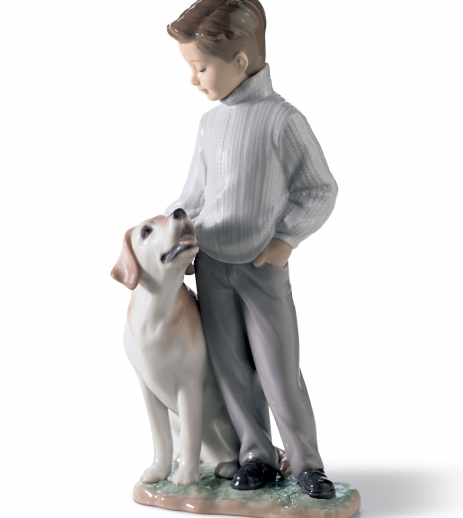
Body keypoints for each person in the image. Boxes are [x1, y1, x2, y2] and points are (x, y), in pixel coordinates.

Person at [165, 0, 338, 499]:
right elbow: (194, 194)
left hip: (262, 265)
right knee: (230, 367)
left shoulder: (282, 120)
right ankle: (255, 454)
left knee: (278, 368)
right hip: (212, 263)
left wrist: (285, 239)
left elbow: (319, 188)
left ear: (239, 61)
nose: (193, 79)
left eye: (201, 68)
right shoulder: (210, 125)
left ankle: (306, 462)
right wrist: (170, 231)